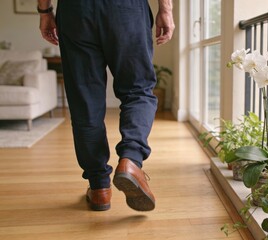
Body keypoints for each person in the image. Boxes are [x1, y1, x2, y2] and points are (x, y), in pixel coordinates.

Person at [37, 0, 175, 211]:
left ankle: (99, 187)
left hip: (76, 12)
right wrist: (165, 9)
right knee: (137, 90)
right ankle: (131, 160)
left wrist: (45, 11)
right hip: (126, 9)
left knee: (85, 101)